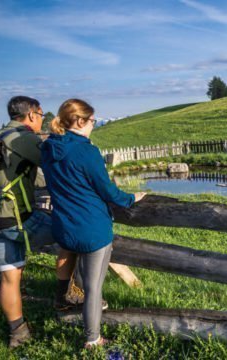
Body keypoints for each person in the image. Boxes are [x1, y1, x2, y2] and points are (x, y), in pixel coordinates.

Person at [41, 98, 146, 348]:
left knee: (79, 271)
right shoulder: (87, 152)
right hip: (91, 228)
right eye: (92, 121)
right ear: (79, 121)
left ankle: (65, 298)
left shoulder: (48, 147)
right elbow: (108, 191)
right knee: (93, 288)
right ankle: (93, 339)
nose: (93, 125)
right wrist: (132, 197)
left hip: (64, 225)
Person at [0, 96, 53, 348]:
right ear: (31, 114)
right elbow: (56, 165)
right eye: (41, 115)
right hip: (20, 219)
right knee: (76, 236)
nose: (42, 120)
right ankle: (68, 294)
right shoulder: (24, 138)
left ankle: (17, 333)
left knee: (9, 277)